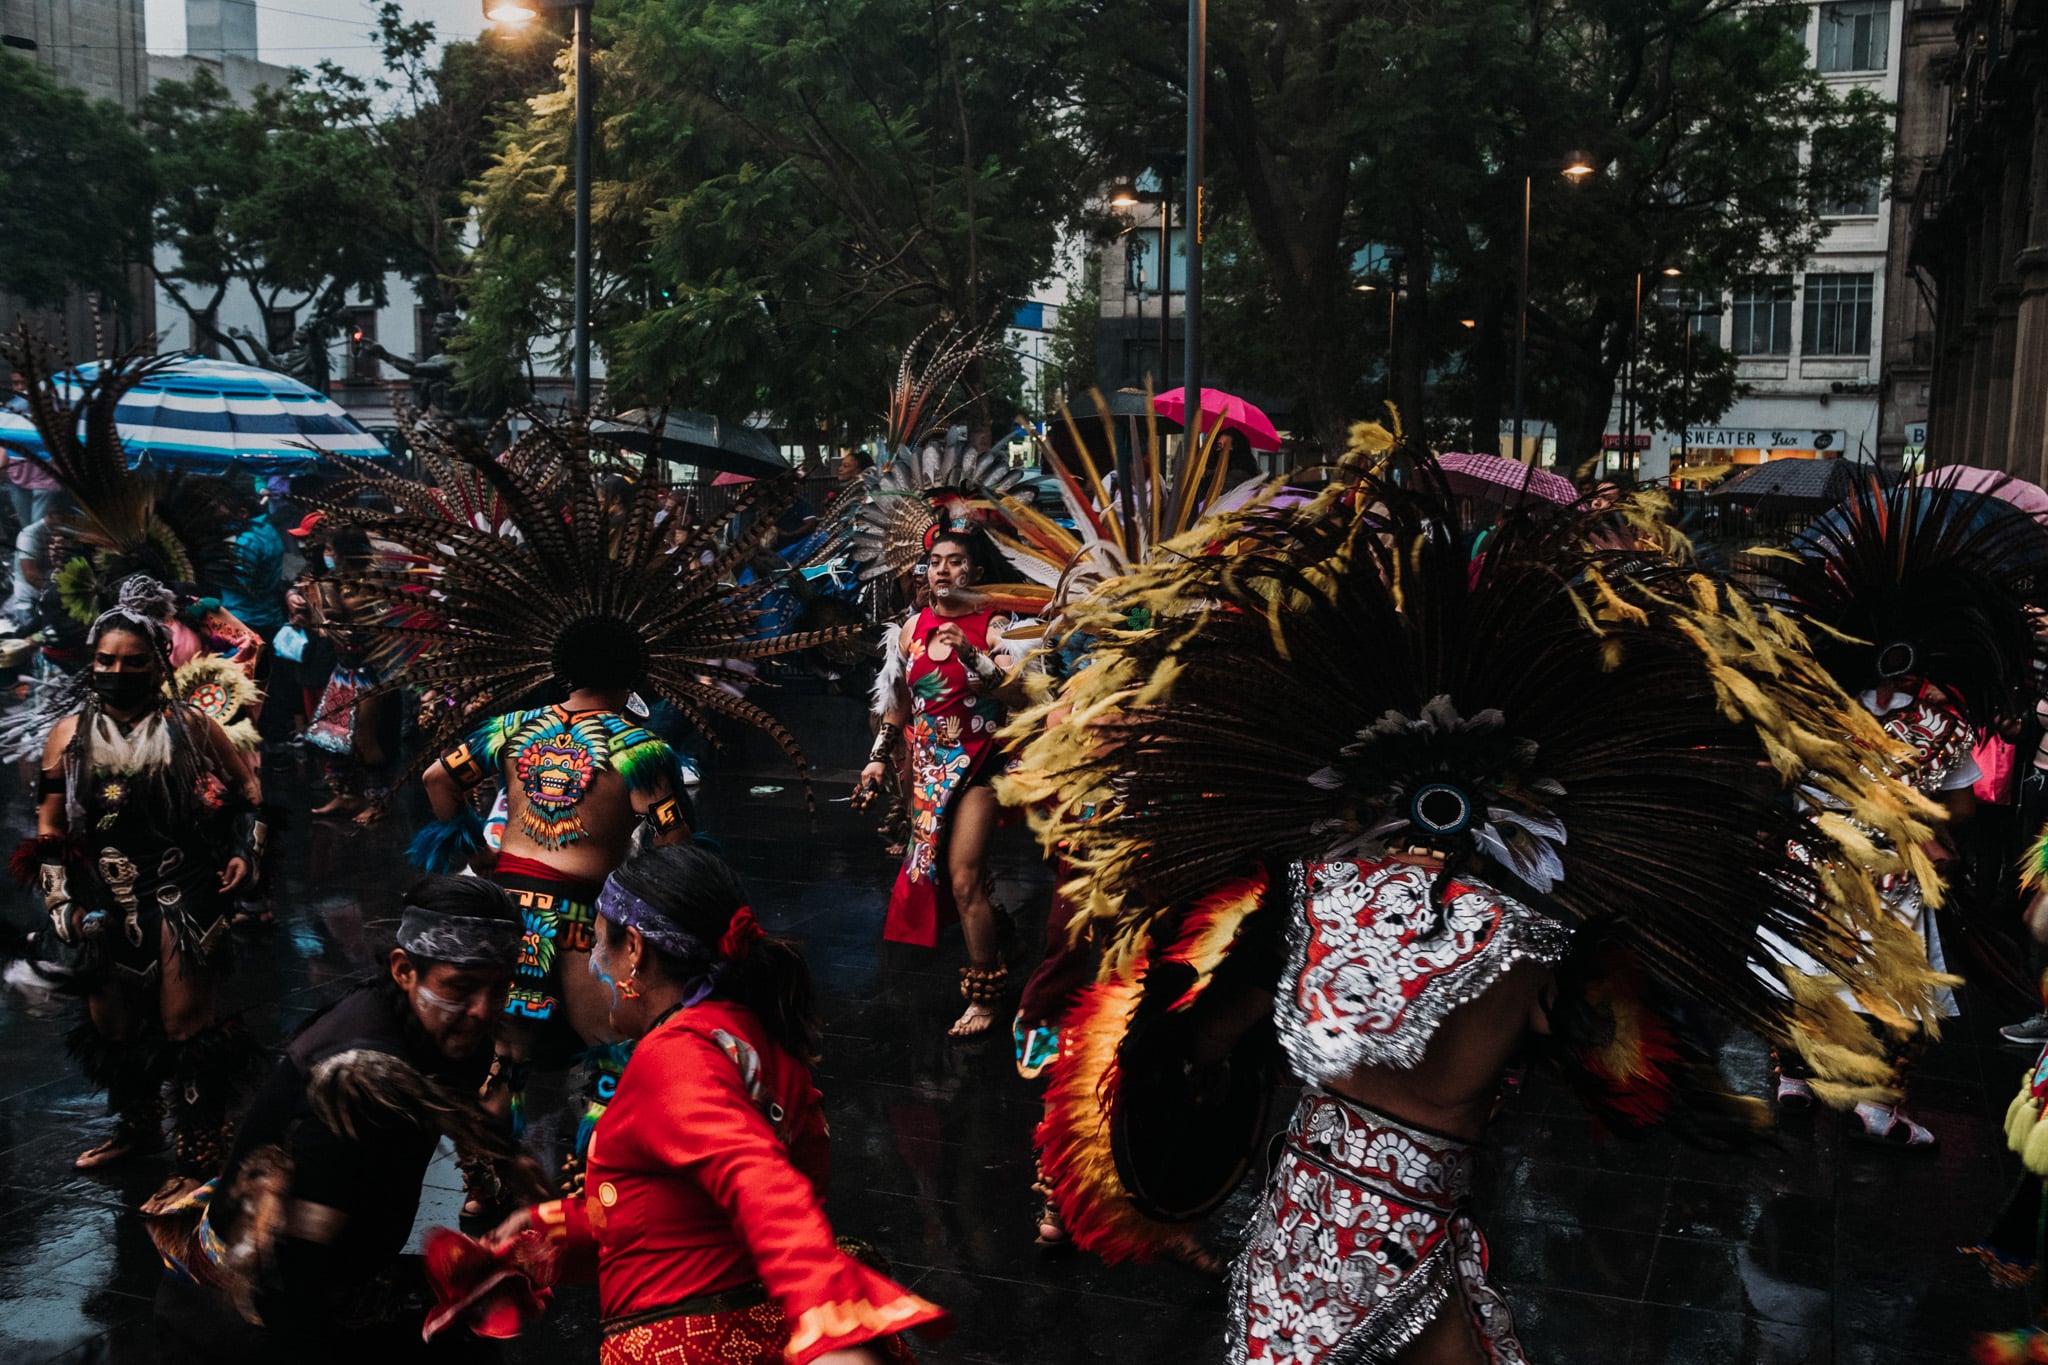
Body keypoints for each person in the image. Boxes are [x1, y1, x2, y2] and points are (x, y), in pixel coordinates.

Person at [1004, 475, 1952, 1363]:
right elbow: (1617, 1074)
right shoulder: (1553, 930)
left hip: (1310, 1232)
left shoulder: (1308, 892)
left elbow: (1205, 1043)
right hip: (1428, 1216)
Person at [484, 842, 947, 1365]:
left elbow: (756, 1178)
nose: (594, 967)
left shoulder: (674, 1057)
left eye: (598, 946)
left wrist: (829, 1314)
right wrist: (545, 1236)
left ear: (634, 949)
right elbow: (676, 1214)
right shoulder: (760, 1038)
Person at [149, 875, 547, 1364]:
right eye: (461, 987)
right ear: (404, 970)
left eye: (499, 988)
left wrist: (505, 1154)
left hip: (342, 1266)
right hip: (248, 1316)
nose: (483, 1010)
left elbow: (443, 1102)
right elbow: (296, 1261)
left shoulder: (437, 1026)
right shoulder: (356, 1086)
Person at [417, 631, 695, 1195]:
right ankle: (598, 1188)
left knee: (506, 1059)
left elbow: (437, 779)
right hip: (579, 918)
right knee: (614, 1050)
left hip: (506, 910)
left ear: (564, 670)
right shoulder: (640, 750)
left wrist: (477, 852)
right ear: (633, 677)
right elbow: (677, 847)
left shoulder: (512, 727)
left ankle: (480, 1191)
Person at [23, 576, 268, 1206]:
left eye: (133, 661)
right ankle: (138, 1128)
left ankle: (200, 1151)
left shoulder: (192, 726)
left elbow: (249, 794)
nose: (117, 672)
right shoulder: (67, 734)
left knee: (187, 1027)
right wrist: (60, 899)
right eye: (106, 661)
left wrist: (243, 852)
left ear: (160, 664)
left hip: (181, 889)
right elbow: (49, 825)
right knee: (112, 1025)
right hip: (102, 893)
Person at [862, 528, 1022, 1038]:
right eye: (935, 562)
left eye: (955, 561)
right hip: (929, 772)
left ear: (975, 572)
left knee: (963, 877)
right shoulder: (912, 627)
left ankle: (984, 995)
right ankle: (998, 925)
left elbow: (1015, 690)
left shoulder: (994, 624)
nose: (943, 571)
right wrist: (877, 760)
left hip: (981, 763)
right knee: (936, 872)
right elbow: (898, 703)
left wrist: (971, 654)